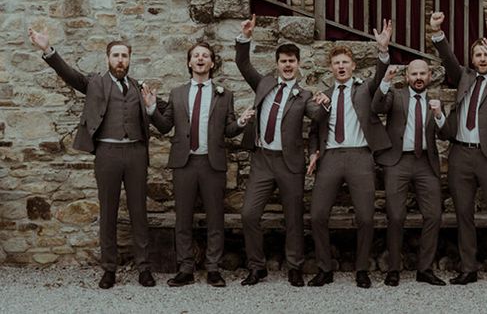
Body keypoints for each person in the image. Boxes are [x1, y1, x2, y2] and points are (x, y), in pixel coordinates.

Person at [27, 27, 156, 289]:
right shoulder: (95, 82)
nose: (120, 60)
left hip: (136, 153)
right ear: (108, 58)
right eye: (115, 55)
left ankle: (144, 268)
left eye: (124, 56)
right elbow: (70, 75)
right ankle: (109, 269)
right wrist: (48, 50)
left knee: (139, 212)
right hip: (107, 153)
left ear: (130, 59)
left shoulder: (138, 87)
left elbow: (160, 113)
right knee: (108, 212)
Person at [141, 42, 252, 287]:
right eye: (196, 55)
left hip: (212, 164)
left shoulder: (225, 94)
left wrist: (242, 122)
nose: (200, 59)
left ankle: (213, 268)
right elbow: (165, 126)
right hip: (184, 163)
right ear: (189, 62)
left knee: (215, 217)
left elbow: (229, 130)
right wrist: (151, 110)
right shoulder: (177, 93)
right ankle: (186, 268)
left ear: (212, 63)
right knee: (183, 218)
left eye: (205, 56)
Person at [234, 15, 325, 287]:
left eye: (292, 61)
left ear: (298, 65)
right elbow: (242, 63)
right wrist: (245, 37)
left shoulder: (305, 95)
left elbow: (317, 117)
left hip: (290, 163)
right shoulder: (263, 83)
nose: (287, 65)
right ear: (277, 64)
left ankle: (295, 266)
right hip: (262, 159)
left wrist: (325, 103)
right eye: (283, 61)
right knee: (248, 213)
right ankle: (257, 267)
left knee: (294, 218)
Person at [429, 13, 487, 288]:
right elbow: (448, 60)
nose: (481, 58)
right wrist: (437, 32)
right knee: (463, 214)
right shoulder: (464, 77)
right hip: (460, 156)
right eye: (477, 54)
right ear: (472, 58)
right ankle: (469, 268)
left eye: (486, 54)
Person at [306, 22, 393, 289]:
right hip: (331, 157)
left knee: (366, 217)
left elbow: (380, 78)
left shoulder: (364, 88)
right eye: (336, 63)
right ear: (331, 68)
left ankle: (362, 269)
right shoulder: (324, 95)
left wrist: (383, 50)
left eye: (345, 62)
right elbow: (312, 130)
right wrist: (313, 154)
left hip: (360, 157)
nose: (341, 66)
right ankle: (324, 269)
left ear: (353, 65)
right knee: (318, 215)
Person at [371, 62, 447, 287]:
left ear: (430, 76)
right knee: (395, 216)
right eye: (414, 74)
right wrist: (385, 81)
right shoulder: (396, 95)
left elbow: (446, 134)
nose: (419, 77)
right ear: (407, 76)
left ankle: (425, 269)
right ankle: (393, 268)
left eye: (423, 73)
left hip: (425, 161)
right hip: (398, 161)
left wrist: (440, 114)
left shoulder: (435, 102)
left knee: (433, 215)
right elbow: (376, 107)